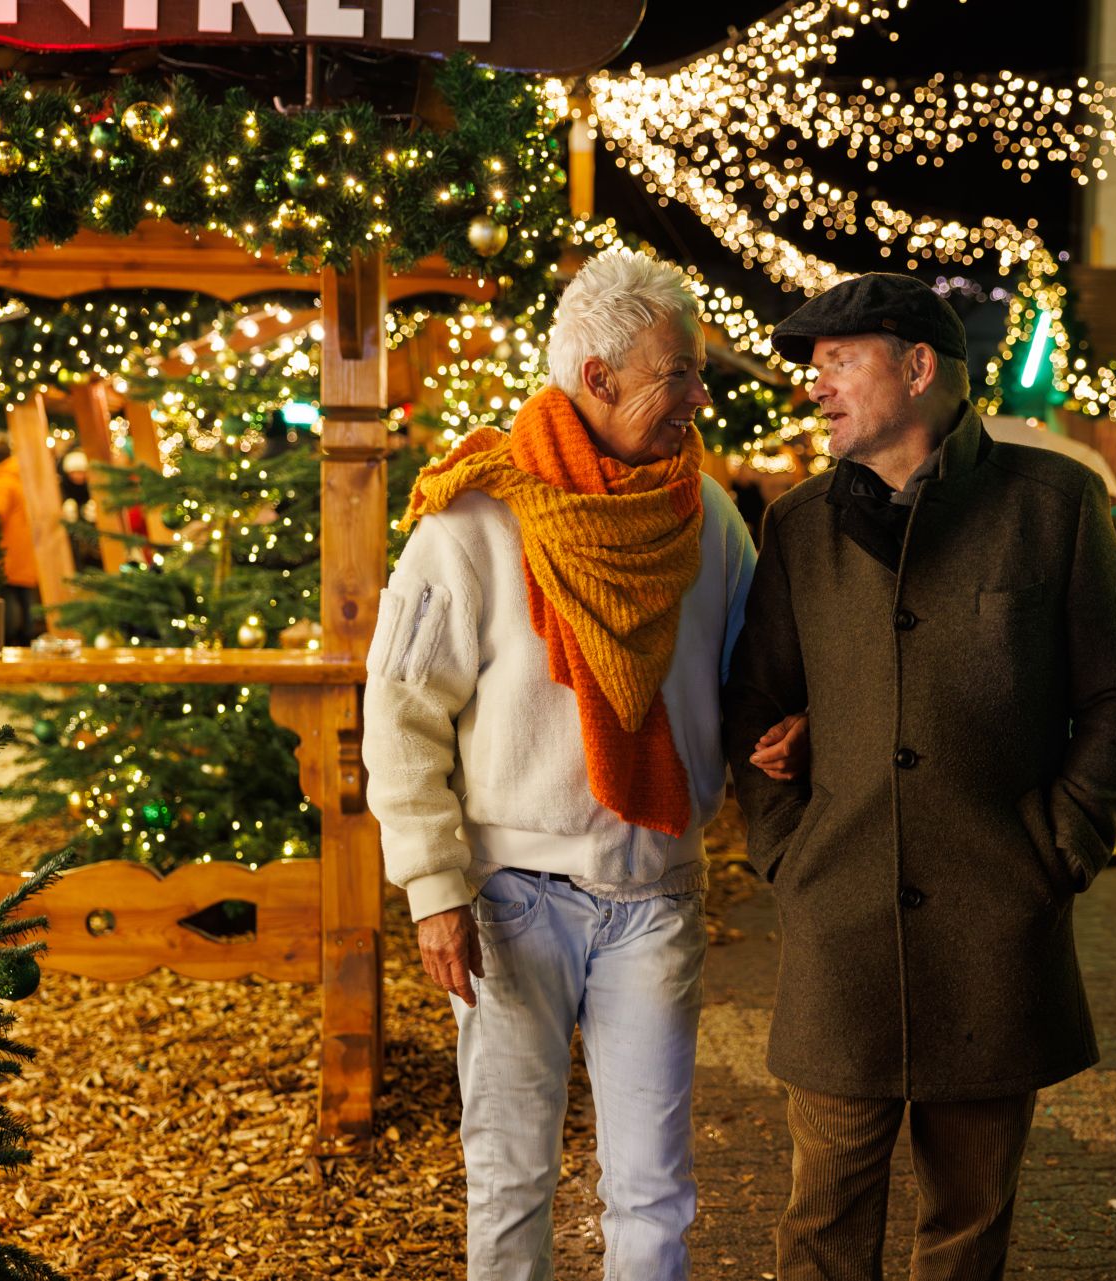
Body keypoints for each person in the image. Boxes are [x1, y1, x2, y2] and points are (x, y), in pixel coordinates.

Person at [362, 250, 803, 1280]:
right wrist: (433, 887)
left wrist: (783, 727)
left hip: (657, 894)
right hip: (509, 901)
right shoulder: (477, 518)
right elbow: (401, 712)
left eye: (696, 375)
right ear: (597, 377)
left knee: (653, 1187)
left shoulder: (710, 519)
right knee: (510, 1175)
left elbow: (748, 675)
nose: (699, 396)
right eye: (678, 373)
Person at [723, 273, 1116, 1281]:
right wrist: (786, 848)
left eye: (840, 362)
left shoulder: (1054, 508)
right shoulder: (798, 527)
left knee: (967, 1227)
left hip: (995, 927)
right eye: (815, 368)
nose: (818, 387)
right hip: (841, 923)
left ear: (920, 369)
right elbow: (755, 703)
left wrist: (1061, 849)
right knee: (822, 1220)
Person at [0, 438, 42, 642]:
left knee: (7, 602)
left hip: (7, 551)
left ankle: (9, 642)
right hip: (26, 550)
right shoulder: (22, 479)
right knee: (24, 600)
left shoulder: (2, 481)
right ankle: (26, 640)